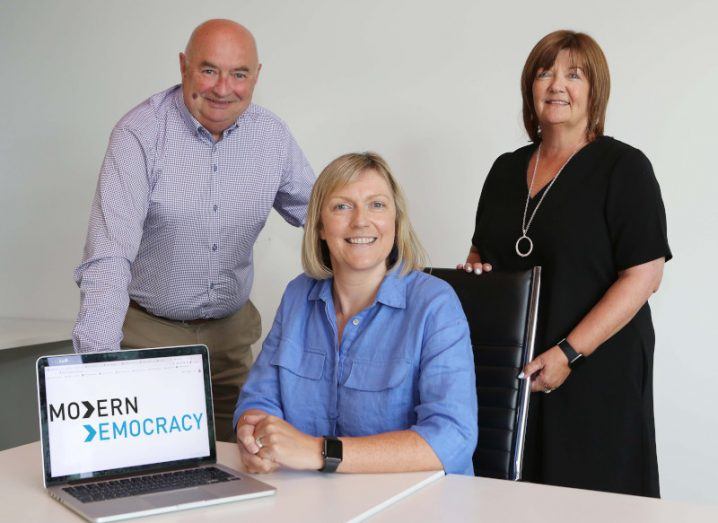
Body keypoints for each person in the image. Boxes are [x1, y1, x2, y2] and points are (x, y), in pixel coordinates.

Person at [72, 19, 315, 442]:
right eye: (208, 70)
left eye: (238, 74)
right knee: (147, 472)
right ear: (184, 67)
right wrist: (97, 374)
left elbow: (321, 217)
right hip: (146, 339)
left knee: (236, 470)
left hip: (230, 342)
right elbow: (108, 261)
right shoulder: (139, 135)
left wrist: (394, 273)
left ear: (256, 76)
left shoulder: (272, 137)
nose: (223, 88)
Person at [459, 30, 670, 496]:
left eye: (573, 74)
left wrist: (569, 353)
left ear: (595, 92)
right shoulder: (504, 170)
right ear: (529, 87)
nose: (556, 84)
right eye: (544, 72)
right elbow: (481, 254)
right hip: (516, 376)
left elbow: (645, 275)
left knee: (592, 499)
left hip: (597, 371)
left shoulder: (624, 168)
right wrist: (474, 274)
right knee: (512, 497)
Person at [234, 152, 477, 475]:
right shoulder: (297, 295)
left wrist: (321, 452)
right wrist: (253, 437)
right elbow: (259, 399)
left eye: (377, 204)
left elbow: (453, 436)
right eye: (342, 206)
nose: (361, 220)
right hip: (315, 500)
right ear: (319, 226)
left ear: (395, 220)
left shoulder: (435, 304)